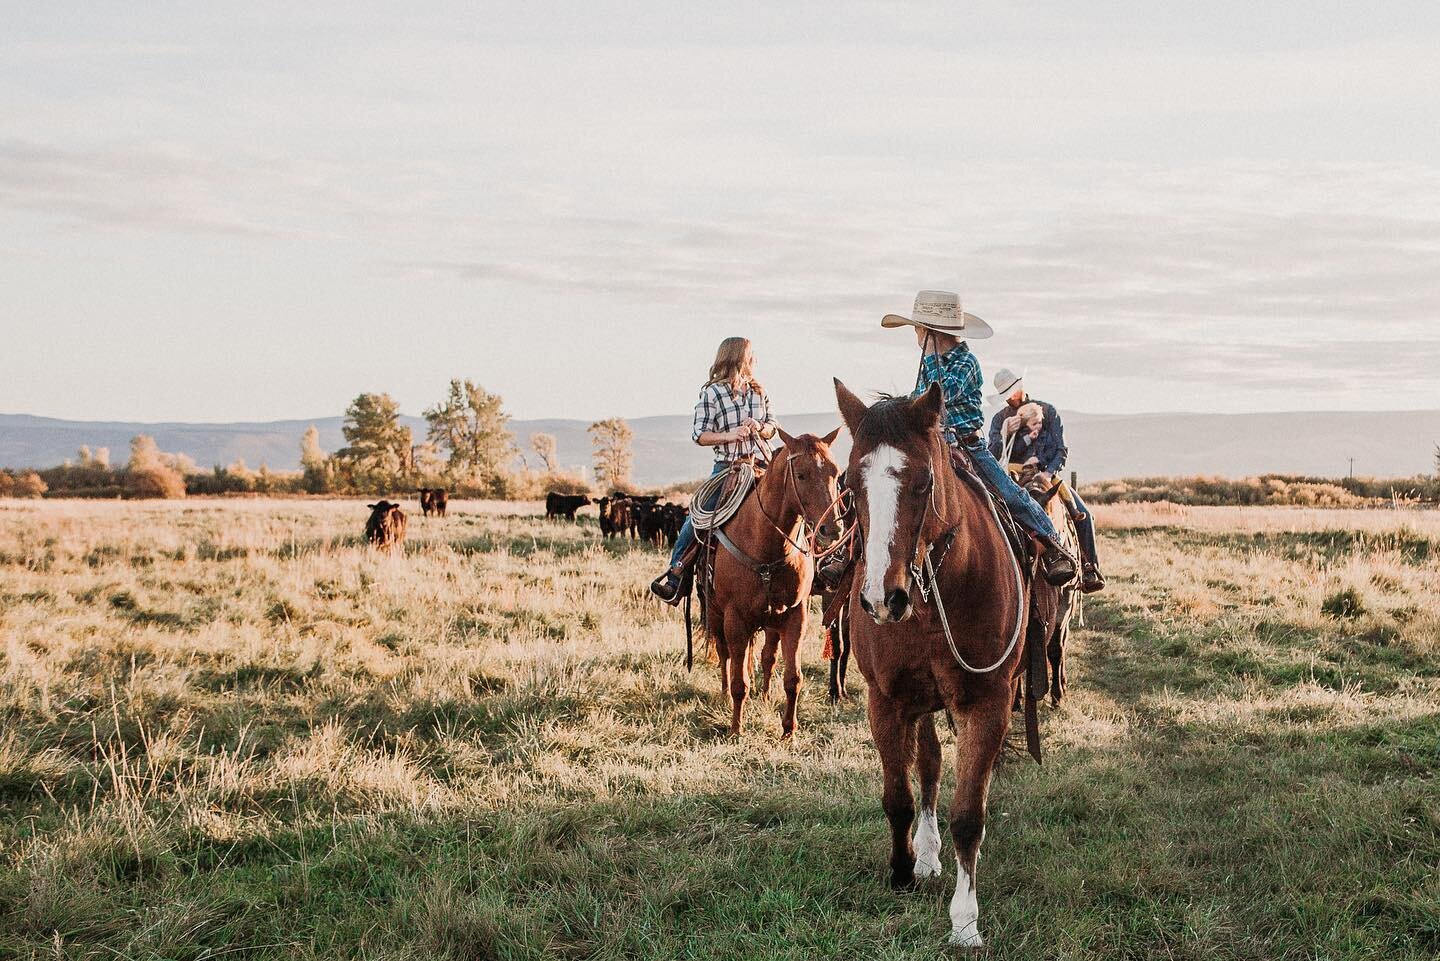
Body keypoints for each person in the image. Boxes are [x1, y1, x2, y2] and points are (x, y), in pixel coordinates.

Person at [880, 290, 1077, 586]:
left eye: (918, 329)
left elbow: (939, 395)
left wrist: (931, 357)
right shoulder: (929, 361)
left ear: (930, 331)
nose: (916, 335)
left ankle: (1053, 544)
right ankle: (849, 557)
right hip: (932, 444)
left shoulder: (965, 361)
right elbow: (916, 401)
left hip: (967, 445)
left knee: (1010, 493)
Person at [650, 336, 778, 602]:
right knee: (697, 518)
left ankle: (819, 565)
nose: (755, 358)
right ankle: (676, 577)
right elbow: (699, 435)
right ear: (739, 357)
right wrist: (730, 435)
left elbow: (773, 425)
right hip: (727, 468)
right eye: (751, 353)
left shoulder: (759, 391)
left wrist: (761, 428)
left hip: (761, 465)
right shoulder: (712, 393)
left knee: (795, 502)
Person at [987, 368, 1104, 592]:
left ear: (1020, 387)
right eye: (1006, 395)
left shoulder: (1048, 412)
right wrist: (1004, 433)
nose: (1011, 398)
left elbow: (1061, 449)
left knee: (1083, 515)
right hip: (1012, 477)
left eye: (1012, 392)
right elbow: (992, 456)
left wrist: (1048, 473)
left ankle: (1089, 568)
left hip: (1046, 474)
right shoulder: (1000, 419)